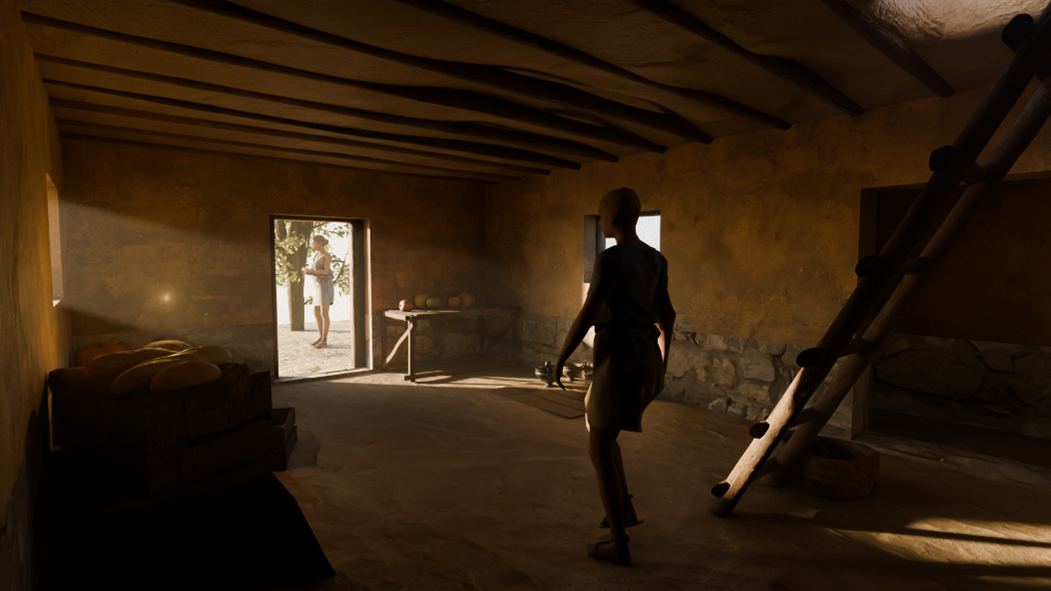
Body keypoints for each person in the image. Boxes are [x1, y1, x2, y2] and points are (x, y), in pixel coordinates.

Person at [555, 187, 675, 566]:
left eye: (601, 213)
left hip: (619, 357)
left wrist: (560, 358)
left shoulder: (611, 257)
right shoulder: (656, 258)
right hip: (645, 355)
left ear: (612, 217)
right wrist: (663, 362)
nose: (600, 220)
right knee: (600, 429)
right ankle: (623, 507)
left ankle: (619, 544)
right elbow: (668, 315)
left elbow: (589, 312)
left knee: (599, 447)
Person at [301, 234, 335, 348]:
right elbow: (314, 270)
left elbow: (326, 271)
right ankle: (320, 337)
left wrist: (311, 271)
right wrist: (307, 270)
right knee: (316, 312)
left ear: (320, 243)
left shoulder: (327, 255)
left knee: (324, 313)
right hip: (316, 287)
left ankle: (324, 339)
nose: (312, 245)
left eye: (313, 243)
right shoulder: (315, 256)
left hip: (325, 287)